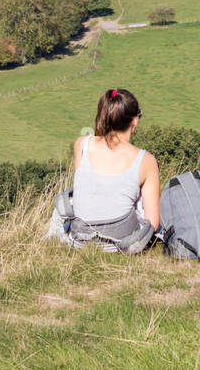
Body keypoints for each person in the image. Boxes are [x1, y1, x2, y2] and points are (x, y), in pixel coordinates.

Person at [46, 87, 160, 250]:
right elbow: (152, 222)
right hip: (123, 244)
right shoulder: (146, 160)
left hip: (80, 241)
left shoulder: (82, 144)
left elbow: (86, 191)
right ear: (135, 121)